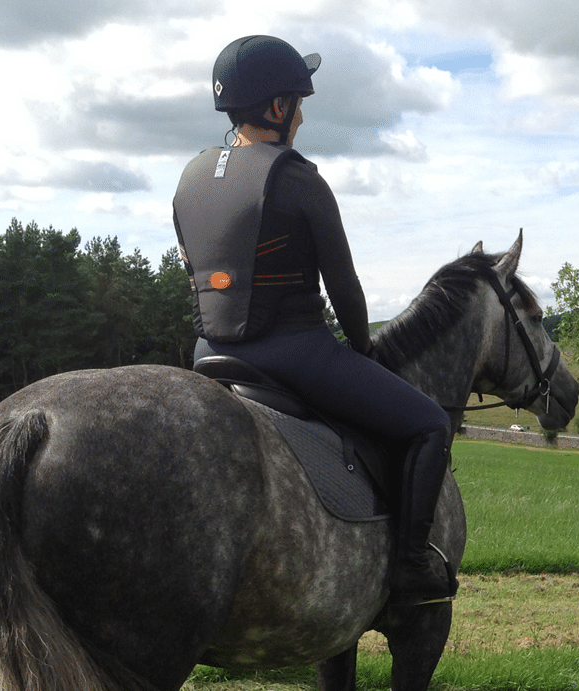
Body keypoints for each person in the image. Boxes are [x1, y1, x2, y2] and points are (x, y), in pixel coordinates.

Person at [172, 35, 455, 606]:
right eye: (298, 102)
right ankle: (407, 566)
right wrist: (361, 350)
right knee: (429, 425)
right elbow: (345, 289)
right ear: (277, 108)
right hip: (293, 353)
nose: (302, 113)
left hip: (207, 354)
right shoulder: (298, 178)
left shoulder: (190, 177)